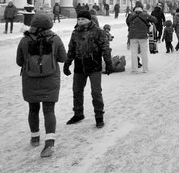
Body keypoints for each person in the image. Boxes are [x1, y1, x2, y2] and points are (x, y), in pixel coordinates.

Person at [16, 14, 67, 158]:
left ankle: (34, 138)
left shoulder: (25, 40)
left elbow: (19, 62)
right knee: (49, 110)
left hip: (30, 79)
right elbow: (63, 58)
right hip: (50, 79)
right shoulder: (55, 39)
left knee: (33, 108)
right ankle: (49, 143)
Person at [63, 10, 113, 128]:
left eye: (83, 19)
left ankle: (99, 116)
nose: (80, 22)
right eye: (79, 19)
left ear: (89, 20)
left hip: (94, 65)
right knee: (77, 90)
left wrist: (108, 62)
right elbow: (71, 49)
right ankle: (78, 113)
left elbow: (105, 48)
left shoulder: (98, 32)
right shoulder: (75, 33)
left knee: (96, 92)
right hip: (79, 66)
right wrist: (67, 63)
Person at [126, 1, 157, 71]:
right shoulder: (145, 15)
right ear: (142, 8)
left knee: (133, 53)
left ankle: (134, 69)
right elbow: (155, 20)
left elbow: (128, 23)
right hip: (143, 36)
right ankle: (145, 69)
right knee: (144, 52)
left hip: (132, 35)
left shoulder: (130, 15)